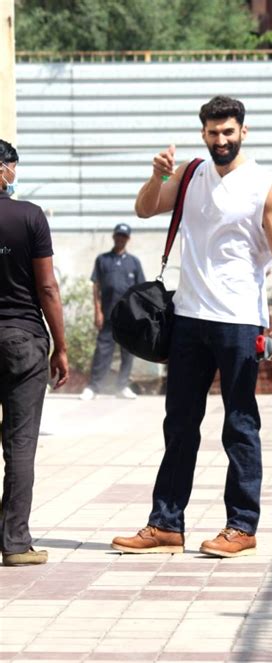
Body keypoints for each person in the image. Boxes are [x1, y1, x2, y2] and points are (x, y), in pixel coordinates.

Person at [112, 95, 272, 558]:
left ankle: (242, 526)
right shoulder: (191, 173)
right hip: (189, 318)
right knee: (179, 425)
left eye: (229, 132)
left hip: (239, 321)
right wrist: (156, 175)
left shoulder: (264, 185)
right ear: (203, 134)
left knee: (239, 424)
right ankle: (165, 524)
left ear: (243, 132)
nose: (221, 140)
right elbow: (144, 209)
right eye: (213, 132)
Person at [0, 139, 68, 566]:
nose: (14, 174)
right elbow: (47, 287)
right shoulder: (29, 216)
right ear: (3, 169)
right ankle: (15, 543)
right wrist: (61, 347)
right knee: (20, 444)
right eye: (12, 166)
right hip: (23, 340)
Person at [80, 224, 145, 400]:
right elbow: (96, 286)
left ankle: (122, 386)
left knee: (127, 352)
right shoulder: (102, 260)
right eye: (118, 235)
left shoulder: (134, 262)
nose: (120, 239)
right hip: (107, 314)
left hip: (128, 316)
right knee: (102, 351)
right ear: (113, 237)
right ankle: (93, 387)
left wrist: (139, 314)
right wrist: (97, 311)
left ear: (127, 239)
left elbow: (140, 290)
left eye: (124, 236)